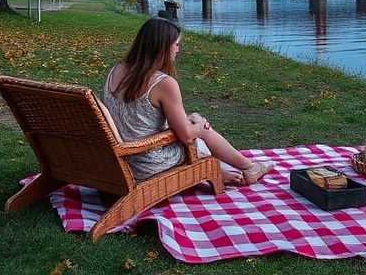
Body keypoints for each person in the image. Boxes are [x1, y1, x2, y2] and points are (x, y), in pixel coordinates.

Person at [102, 17, 274, 185]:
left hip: (118, 161)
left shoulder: (114, 72)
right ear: (162, 47)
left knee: (191, 122)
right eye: (176, 44)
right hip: (146, 163)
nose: (178, 49)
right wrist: (199, 123)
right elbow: (187, 137)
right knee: (200, 128)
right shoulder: (163, 83)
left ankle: (229, 169)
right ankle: (247, 167)